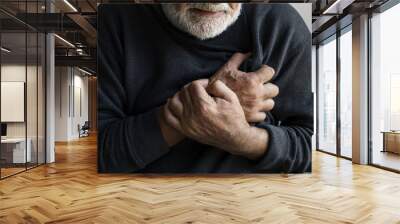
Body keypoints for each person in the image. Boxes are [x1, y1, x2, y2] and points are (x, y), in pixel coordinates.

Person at [98, 3, 313, 173]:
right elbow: (101, 154)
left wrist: (243, 138)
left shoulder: (281, 26)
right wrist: (205, 107)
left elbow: (306, 150)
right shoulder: (116, 21)